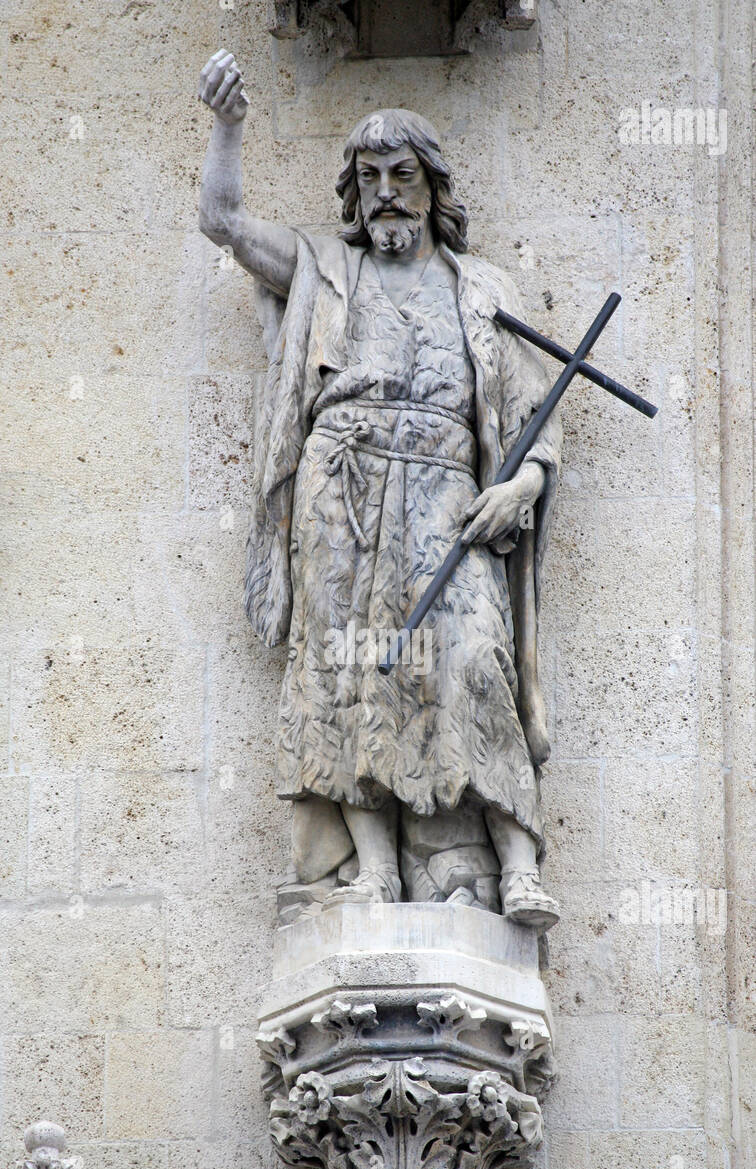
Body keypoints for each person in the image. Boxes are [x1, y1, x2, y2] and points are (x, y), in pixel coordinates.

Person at [198, 50, 562, 928]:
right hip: (341, 495)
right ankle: (373, 873)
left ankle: (517, 865)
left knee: (474, 661)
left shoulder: (482, 291)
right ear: (354, 192)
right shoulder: (326, 268)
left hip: (446, 499)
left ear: (434, 188)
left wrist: (526, 484)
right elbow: (224, 221)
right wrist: (228, 125)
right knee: (344, 676)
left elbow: (530, 410)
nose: (387, 193)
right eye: (370, 178)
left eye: (404, 175)